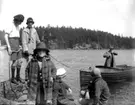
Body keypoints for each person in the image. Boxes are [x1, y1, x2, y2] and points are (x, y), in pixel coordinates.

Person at [4, 14, 24, 84]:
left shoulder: (18, 27)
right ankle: (13, 78)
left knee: (20, 61)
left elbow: (18, 37)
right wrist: (9, 47)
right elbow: (6, 36)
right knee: (14, 62)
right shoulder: (10, 26)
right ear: (16, 20)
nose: (19, 23)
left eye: (20, 22)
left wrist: (20, 45)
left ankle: (18, 77)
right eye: (19, 21)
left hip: (17, 44)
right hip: (12, 44)